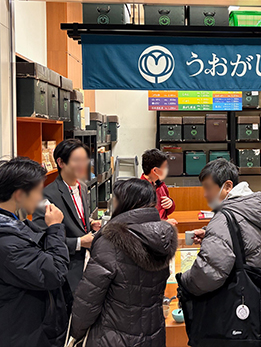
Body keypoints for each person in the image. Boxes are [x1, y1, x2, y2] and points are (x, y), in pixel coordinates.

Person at [70, 178, 177, 347]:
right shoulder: (163, 238)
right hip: (153, 332)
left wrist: (76, 333)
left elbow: (88, 299)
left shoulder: (111, 241)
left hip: (113, 336)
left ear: (128, 202)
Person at [0, 158, 69, 347]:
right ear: (20, 194)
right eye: (39, 191)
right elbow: (55, 273)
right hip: (21, 332)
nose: (41, 198)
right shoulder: (8, 243)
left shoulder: (12, 222)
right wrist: (55, 228)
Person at [180, 158, 261, 296]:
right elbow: (241, 237)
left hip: (231, 297)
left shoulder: (224, 219)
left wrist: (184, 281)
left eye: (209, 188)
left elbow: (208, 274)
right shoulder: (248, 208)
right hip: (251, 291)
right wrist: (210, 234)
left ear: (228, 186)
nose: (205, 194)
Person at [34, 138, 100, 294]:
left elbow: (76, 214)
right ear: (61, 162)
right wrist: (79, 242)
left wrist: (89, 222)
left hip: (87, 263)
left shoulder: (82, 186)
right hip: (66, 270)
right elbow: (41, 238)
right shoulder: (46, 195)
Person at [140, 148, 177, 224]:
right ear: (155, 171)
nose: (166, 169)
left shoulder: (161, 185)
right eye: (165, 167)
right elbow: (142, 220)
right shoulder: (141, 190)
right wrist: (163, 223)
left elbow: (166, 211)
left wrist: (170, 203)